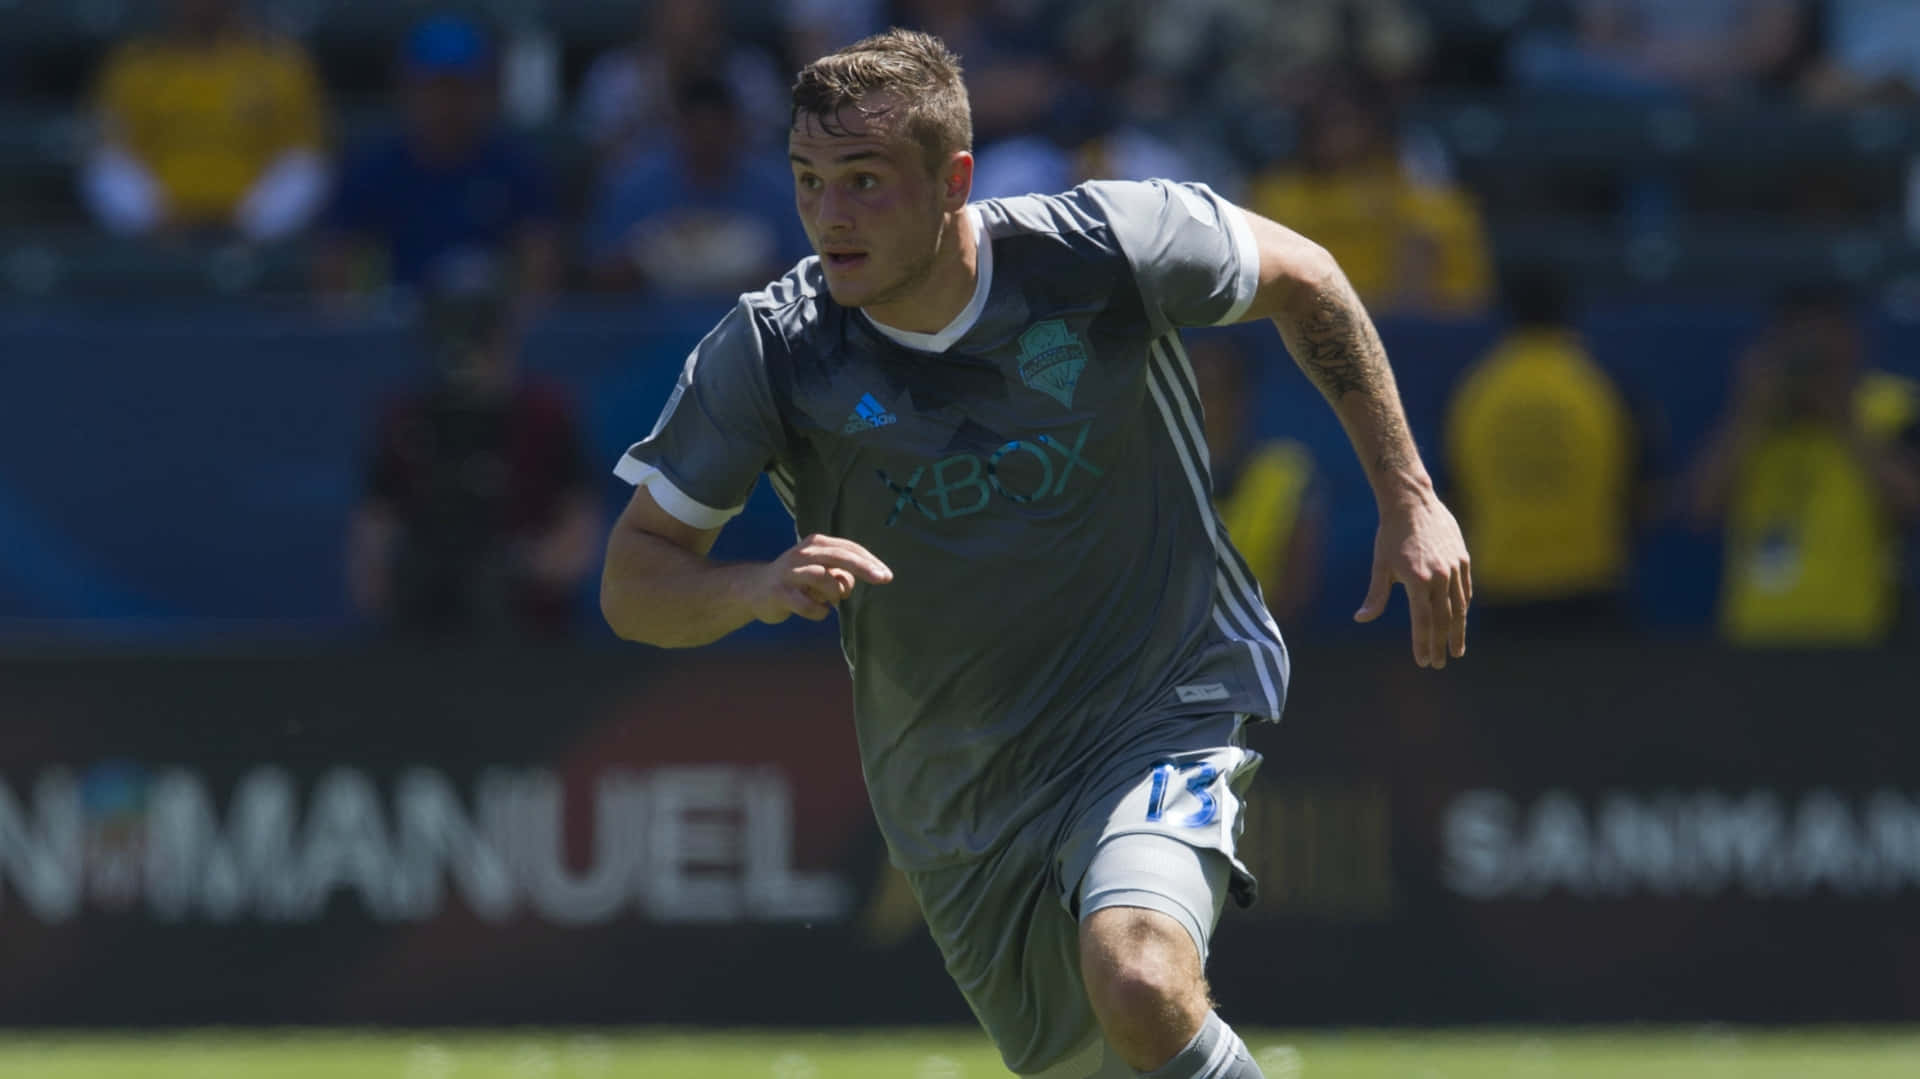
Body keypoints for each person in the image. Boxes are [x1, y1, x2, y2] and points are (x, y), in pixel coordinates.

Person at [600, 30, 1470, 1079]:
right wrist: (751, 584)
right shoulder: (775, 349)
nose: (830, 215)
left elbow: (1308, 274)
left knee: (1140, 978)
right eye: (808, 181)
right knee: (1112, 1056)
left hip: (1158, 700)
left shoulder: (1098, 249)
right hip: (958, 793)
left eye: (865, 181)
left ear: (952, 180)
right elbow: (634, 581)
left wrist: (1409, 495)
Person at [349, 278, 598, 639]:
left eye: (479, 348)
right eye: (453, 348)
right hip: (422, 617)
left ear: (503, 345)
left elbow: (578, 532)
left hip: (527, 627)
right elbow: (373, 528)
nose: (466, 365)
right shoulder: (408, 420)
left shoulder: (545, 417)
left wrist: (522, 567)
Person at [1689, 284, 1920, 646]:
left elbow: (1910, 505)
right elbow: (1702, 510)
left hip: (1858, 632)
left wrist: (1845, 420)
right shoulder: (1755, 419)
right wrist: (1748, 414)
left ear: (1854, 343)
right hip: (1756, 631)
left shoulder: (1892, 409)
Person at [1444, 270, 1643, 633]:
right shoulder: (1603, 386)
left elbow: (1450, 497)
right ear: (1570, 317)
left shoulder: (1473, 392)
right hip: (1588, 587)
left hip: (1499, 589)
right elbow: (1644, 490)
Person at [315, 14, 558, 301]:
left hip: (492, 330)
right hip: (391, 329)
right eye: (435, 88)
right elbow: (335, 265)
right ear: (407, 90)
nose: (448, 104)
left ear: (488, 92)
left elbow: (541, 267)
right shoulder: (372, 170)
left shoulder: (517, 169)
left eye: (462, 89)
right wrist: (360, 330)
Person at [83, 0, 329, 241]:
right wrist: (154, 221)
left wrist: (256, 224)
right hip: (159, 235)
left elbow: (302, 161)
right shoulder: (135, 69)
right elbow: (110, 160)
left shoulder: (280, 66)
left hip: (254, 234)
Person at [1246, 76, 1491, 317]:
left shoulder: (1407, 184)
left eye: (1347, 122)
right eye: (1326, 122)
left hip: (1399, 325)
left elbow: (1423, 284)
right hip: (1299, 324)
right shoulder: (1276, 192)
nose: (1337, 135)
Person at [584, 75, 809, 296]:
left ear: (736, 128)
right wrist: (652, 262)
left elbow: (806, 273)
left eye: (715, 130)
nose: (706, 141)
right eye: (697, 130)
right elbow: (601, 272)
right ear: (678, 128)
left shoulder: (777, 188)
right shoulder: (636, 184)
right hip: (653, 325)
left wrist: (743, 272)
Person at [1189, 334, 1324, 626]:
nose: (1202, 405)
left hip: (1264, 642)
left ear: (1240, 400)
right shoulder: (1152, 477)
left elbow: (1297, 590)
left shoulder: (1287, 472)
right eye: (1192, 392)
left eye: (1213, 392)